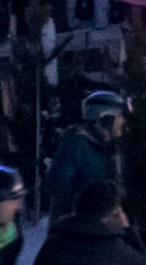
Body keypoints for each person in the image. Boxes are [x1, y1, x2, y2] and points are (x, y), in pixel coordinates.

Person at [47, 91, 129, 226]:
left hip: (102, 225)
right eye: (119, 116)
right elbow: (58, 186)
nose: (123, 121)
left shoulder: (111, 147)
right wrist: (89, 209)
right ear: (106, 118)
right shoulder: (76, 144)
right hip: (78, 230)